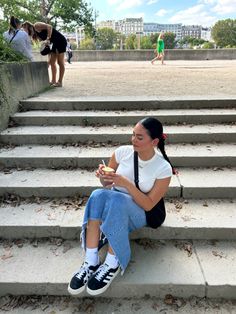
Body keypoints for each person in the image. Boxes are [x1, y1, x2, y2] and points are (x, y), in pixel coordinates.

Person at [68, 117, 174, 296]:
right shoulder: (122, 153)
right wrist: (103, 177)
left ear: (154, 141)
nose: (133, 140)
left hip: (142, 212)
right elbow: (107, 186)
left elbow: (148, 205)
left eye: (140, 137)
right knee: (96, 194)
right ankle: (91, 260)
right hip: (116, 206)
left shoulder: (162, 168)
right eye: (133, 135)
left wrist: (125, 183)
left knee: (117, 200)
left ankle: (112, 262)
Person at [22, 21, 67, 87]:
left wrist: (48, 39)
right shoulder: (35, 35)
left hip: (60, 40)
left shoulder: (36, 25)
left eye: (24, 29)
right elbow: (46, 45)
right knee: (51, 62)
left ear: (28, 26)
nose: (24, 31)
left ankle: (60, 82)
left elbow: (49, 26)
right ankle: (53, 81)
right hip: (53, 43)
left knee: (60, 62)